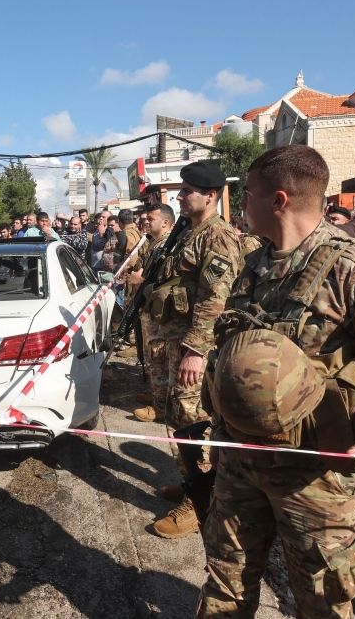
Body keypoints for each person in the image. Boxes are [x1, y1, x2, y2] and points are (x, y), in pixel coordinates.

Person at [196, 144, 355, 618]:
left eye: (246, 195)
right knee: (225, 583)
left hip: (313, 476)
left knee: (321, 601)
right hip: (240, 459)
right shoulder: (254, 266)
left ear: (278, 200)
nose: (241, 206)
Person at [139, 162, 242, 540]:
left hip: (191, 348)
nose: (180, 196)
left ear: (210, 195)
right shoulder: (189, 232)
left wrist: (196, 351)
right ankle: (191, 484)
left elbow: (217, 298)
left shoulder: (217, 236)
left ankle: (203, 502)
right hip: (172, 344)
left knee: (192, 418)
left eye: (187, 191)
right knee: (176, 417)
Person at [129, 204, 175, 422]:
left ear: (165, 222)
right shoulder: (154, 244)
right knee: (152, 354)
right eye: (145, 218)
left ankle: (162, 406)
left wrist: (140, 281)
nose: (145, 221)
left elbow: (166, 280)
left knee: (159, 355)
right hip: (151, 308)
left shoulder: (168, 245)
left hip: (160, 311)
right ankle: (158, 395)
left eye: (151, 218)